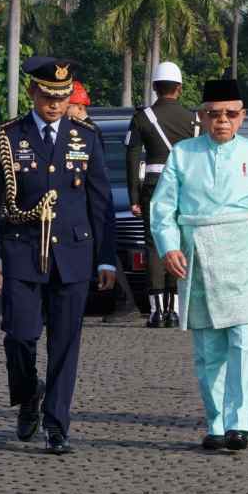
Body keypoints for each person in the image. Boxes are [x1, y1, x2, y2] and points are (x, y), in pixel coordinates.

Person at [0, 57, 115, 455]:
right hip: (22, 253)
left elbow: (100, 203)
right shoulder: (8, 137)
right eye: (47, 95)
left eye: (62, 96)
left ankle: (57, 426)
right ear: (32, 93)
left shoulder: (86, 137)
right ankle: (27, 393)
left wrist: (105, 259)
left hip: (73, 253)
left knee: (65, 344)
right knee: (20, 336)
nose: (54, 103)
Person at [150, 78, 248, 452]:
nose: (222, 121)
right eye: (213, 114)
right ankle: (215, 423)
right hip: (196, 254)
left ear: (242, 116)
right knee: (208, 348)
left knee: (242, 341)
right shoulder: (182, 154)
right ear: (201, 116)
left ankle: (240, 424)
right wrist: (169, 247)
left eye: (230, 113)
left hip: (245, 254)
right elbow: (162, 208)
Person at [125, 62, 198, 327]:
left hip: (154, 184)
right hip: (184, 185)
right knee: (179, 242)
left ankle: (157, 311)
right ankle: (176, 309)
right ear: (179, 88)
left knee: (155, 243)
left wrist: (134, 197)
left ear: (155, 88)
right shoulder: (193, 119)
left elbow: (132, 158)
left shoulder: (142, 117)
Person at [66, 82, 142, 325]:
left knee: (101, 251)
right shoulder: (84, 128)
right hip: (83, 200)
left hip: (89, 200)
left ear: (78, 107)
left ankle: (124, 300)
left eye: (67, 105)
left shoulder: (87, 131)